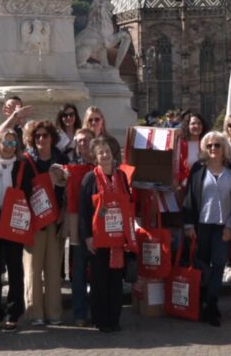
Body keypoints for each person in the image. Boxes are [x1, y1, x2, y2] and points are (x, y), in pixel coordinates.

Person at [79, 136, 133, 333]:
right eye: (100, 152)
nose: (105, 155)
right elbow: (84, 210)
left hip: (117, 238)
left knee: (116, 280)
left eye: (107, 151)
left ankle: (114, 319)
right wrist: (87, 237)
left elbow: (127, 204)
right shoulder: (90, 178)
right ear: (95, 157)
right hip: (98, 237)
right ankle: (100, 319)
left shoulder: (121, 176)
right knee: (99, 280)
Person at [182, 130, 231, 326]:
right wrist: (189, 225)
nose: (213, 148)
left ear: (224, 148)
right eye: (209, 145)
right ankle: (203, 300)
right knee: (203, 265)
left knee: (219, 263)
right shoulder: (198, 169)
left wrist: (230, 225)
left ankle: (212, 302)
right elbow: (189, 197)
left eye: (217, 145)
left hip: (223, 226)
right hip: (202, 224)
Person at [21, 119, 68, 327]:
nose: (41, 139)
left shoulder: (62, 159)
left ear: (52, 137)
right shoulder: (25, 161)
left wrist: (63, 212)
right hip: (34, 220)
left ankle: (54, 313)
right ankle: (35, 313)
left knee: (53, 269)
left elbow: (68, 190)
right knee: (32, 268)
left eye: (45, 135)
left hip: (56, 219)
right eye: (37, 136)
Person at [0, 127, 28, 331]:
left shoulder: (21, 166)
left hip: (14, 219)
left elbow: (28, 192)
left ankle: (13, 312)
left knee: (15, 267)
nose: (9, 146)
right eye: (5, 142)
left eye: (13, 143)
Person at [66, 127, 96, 326]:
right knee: (78, 270)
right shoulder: (70, 164)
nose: (82, 143)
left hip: (98, 219)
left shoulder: (100, 162)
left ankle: (97, 310)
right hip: (77, 219)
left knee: (97, 270)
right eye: (79, 141)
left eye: (86, 140)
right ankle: (80, 313)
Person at [177, 112, 209, 193]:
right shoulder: (180, 144)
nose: (197, 126)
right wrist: (183, 180)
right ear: (187, 126)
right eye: (193, 123)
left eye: (199, 123)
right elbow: (176, 167)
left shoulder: (208, 144)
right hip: (186, 186)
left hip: (205, 186)